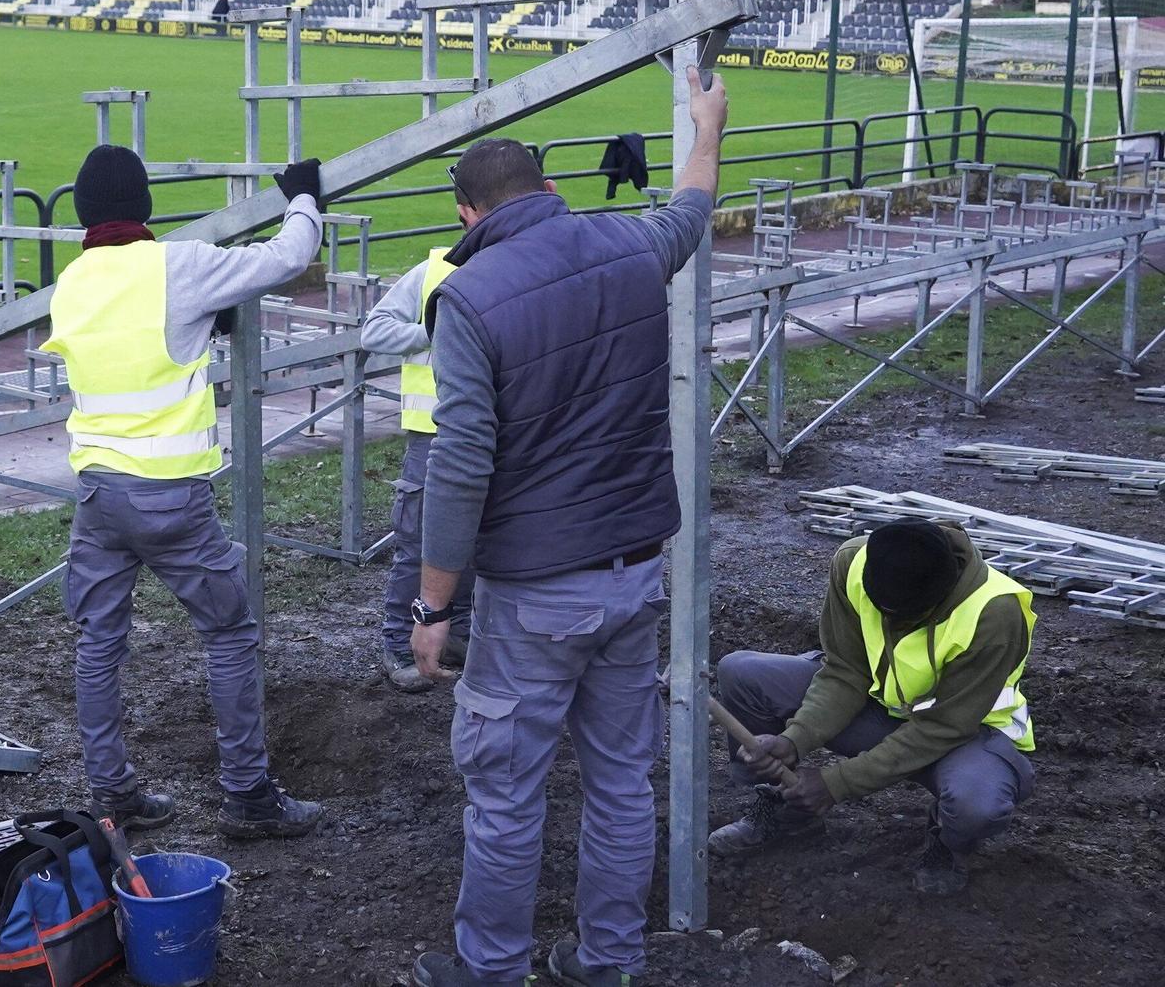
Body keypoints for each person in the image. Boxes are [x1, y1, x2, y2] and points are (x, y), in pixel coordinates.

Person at [410, 67, 727, 987]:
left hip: (537, 592)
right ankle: (608, 961)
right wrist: (707, 124)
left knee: (507, 795)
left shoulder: (468, 299)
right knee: (622, 782)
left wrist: (432, 606)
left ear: (468, 214)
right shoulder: (630, 246)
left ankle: (492, 970)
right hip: (635, 573)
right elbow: (693, 207)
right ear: (549, 189)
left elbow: (461, 461)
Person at [43, 144, 327, 840]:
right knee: (229, 632)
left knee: (99, 644)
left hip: (98, 496)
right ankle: (248, 796)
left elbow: (136, 337)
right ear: (144, 206)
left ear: (82, 211)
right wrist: (304, 198)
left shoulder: (72, 281)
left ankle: (114, 793)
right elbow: (286, 258)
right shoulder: (180, 262)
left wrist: (202, 320)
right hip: (171, 496)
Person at [711, 516, 1035, 896]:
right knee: (742, 673)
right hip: (881, 708)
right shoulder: (855, 562)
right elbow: (845, 672)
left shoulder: (995, 613)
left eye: (898, 617)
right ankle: (790, 804)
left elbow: (942, 726)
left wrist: (836, 783)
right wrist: (794, 740)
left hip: (961, 737)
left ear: (936, 601)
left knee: (977, 804)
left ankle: (949, 845)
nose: (885, 621)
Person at [361, 213, 478, 692]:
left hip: (493, 434)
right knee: (418, 545)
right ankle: (396, 642)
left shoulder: (527, 267)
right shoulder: (433, 271)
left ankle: (460, 635)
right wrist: (434, 331)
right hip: (432, 437)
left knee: (478, 542)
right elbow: (374, 332)